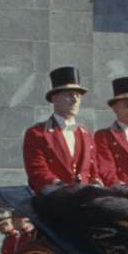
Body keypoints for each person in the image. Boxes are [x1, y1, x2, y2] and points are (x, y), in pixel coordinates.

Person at [22, 66, 102, 194]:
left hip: (85, 202)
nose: (75, 100)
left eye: (78, 96)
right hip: (53, 200)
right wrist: (62, 188)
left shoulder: (86, 135)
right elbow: (37, 172)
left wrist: (97, 185)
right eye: (69, 95)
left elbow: (94, 171)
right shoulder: (37, 133)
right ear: (54, 99)